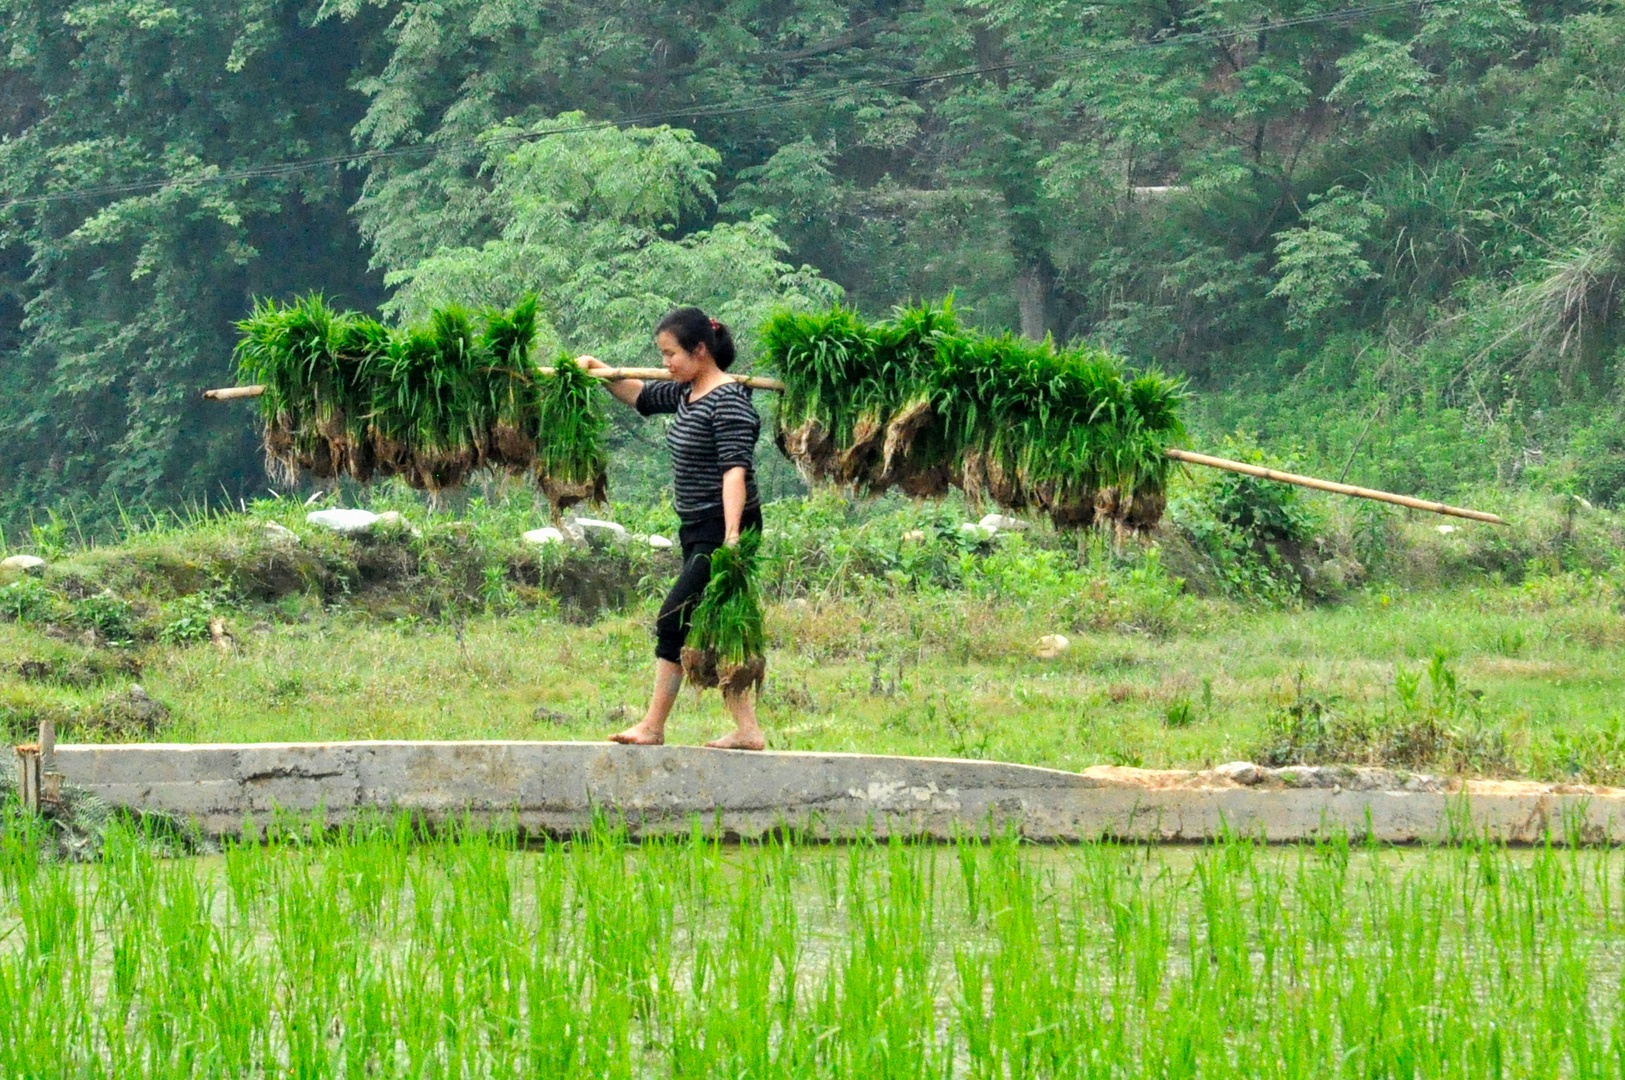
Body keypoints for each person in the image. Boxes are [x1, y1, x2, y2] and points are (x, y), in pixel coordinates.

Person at [578, 306, 767, 751]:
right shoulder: (685, 393)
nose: (666, 364)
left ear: (700, 350)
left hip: (724, 527)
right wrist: (599, 370)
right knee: (713, 621)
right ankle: (748, 731)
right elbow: (640, 396)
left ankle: (653, 726)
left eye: (671, 354)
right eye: (662, 355)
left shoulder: (728, 402)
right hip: (696, 525)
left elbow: (734, 473)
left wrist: (733, 538)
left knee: (672, 619)